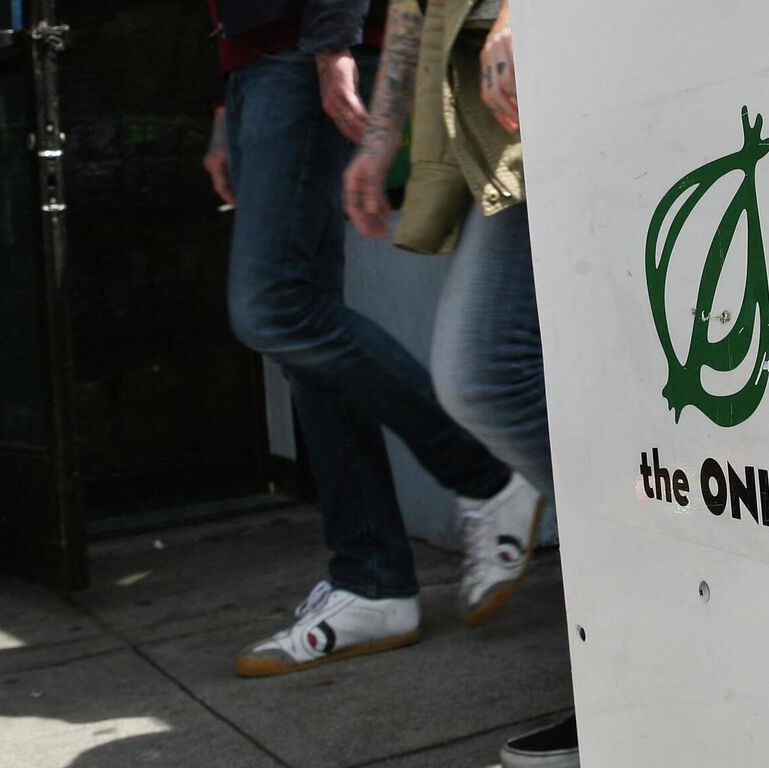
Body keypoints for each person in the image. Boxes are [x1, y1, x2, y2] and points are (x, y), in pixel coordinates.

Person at [200, 0, 550, 680]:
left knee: (275, 309)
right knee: (301, 334)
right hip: (261, 57)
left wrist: (333, 44)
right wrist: (225, 97)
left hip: (302, 47)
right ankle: (374, 582)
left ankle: (485, 474)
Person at [339, 1, 577, 765]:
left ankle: (643, 661)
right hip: (503, 117)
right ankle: (636, 655)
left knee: (489, 371)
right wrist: (383, 139)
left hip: (573, 72)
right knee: (488, 374)